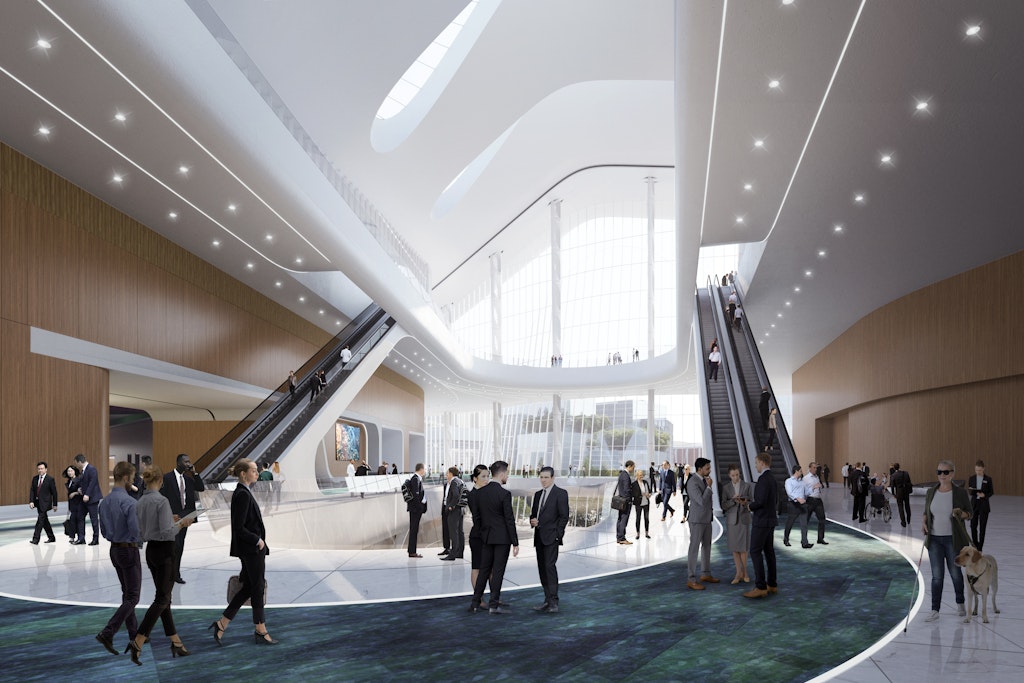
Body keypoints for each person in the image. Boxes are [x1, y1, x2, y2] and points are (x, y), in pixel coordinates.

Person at [210, 459, 278, 645]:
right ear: (243, 474)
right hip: (252, 549)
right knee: (257, 588)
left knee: (249, 587)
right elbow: (239, 527)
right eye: (254, 471)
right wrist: (258, 541)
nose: (257, 473)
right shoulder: (242, 494)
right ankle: (260, 629)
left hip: (250, 549)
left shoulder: (243, 492)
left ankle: (222, 623)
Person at [130, 465, 190, 664]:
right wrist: (181, 524)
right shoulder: (161, 501)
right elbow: (167, 533)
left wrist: (169, 521)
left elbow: (145, 529)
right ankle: (139, 638)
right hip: (165, 552)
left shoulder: (141, 501)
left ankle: (175, 640)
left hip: (151, 552)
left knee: (165, 598)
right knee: (162, 599)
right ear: (160, 481)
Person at [95, 461, 141, 657]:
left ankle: (134, 635)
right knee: (133, 597)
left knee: (127, 594)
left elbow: (104, 531)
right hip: (129, 551)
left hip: (114, 550)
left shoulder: (103, 502)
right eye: (132, 477)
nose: (133, 481)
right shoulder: (130, 502)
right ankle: (108, 632)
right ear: (126, 478)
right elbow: (137, 531)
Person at [922, 459, 972, 622]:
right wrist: (924, 522)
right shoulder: (931, 492)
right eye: (939, 472)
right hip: (934, 540)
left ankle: (960, 603)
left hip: (953, 539)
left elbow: (969, 513)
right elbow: (926, 512)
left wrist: (960, 513)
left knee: (955, 574)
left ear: (952, 474)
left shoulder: (959, 493)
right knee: (937, 576)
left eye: (945, 472)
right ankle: (935, 609)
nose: (942, 475)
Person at [469, 461, 519, 614]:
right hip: (502, 539)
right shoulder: (504, 494)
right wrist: (515, 542)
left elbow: (476, 517)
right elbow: (509, 520)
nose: (507, 476)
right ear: (502, 474)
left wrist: (483, 533)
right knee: (497, 571)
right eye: (507, 473)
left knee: (484, 570)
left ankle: (475, 604)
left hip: (486, 537)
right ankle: (493, 605)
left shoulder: (481, 492)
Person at [161, 453, 205, 585]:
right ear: (178, 462)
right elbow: (162, 498)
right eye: (186, 462)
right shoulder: (167, 478)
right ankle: (169, 573)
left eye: (189, 462)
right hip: (172, 518)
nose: (188, 464)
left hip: (185, 517)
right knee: (174, 546)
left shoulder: (189, 479)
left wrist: (195, 474)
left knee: (179, 547)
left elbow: (201, 488)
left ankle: (176, 574)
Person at [530, 466, 569, 613]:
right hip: (539, 537)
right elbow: (534, 514)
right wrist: (532, 520)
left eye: (546, 477)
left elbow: (564, 516)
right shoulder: (538, 494)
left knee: (549, 567)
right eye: (541, 477)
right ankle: (547, 600)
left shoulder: (561, 493)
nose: (543, 480)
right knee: (542, 569)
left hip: (552, 537)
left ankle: (554, 601)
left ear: (552, 478)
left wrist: (558, 535)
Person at [744, 452, 778, 598]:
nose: (755, 465)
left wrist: (750, 506)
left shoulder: (763, 479)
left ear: (763, 463)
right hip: (770, 520)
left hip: (762, 521)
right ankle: (772, 584)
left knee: (755, 551)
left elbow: (761, 501)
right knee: (769, 552)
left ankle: (760, 586)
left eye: (756, 463)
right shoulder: (773, 478)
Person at [685, 458, 718, 589]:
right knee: (694, 549)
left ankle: (705, 573)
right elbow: (701, 501)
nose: (709, 470)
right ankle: (691, 579)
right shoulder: (692, 482)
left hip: (706, 519)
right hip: (696, 520)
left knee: (707, 547)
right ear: (699, 469)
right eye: (707, 468)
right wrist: (709, 487)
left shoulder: (704, 480)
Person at [721, 465, 753, 584]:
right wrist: (733, 500)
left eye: (737, 475)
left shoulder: (747, 485)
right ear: (729, 476)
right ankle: (738, 573)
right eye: (733, 475)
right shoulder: (726, 488)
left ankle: (745, 572)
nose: (736, 477)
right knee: (735, 548)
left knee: (744, 548)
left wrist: (744, 502)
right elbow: (724, 505)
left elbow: (751, 501)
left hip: (744, 518)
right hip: (732, 520)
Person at [467, 464, 492, 607]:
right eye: (483, 476)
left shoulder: (484, 492)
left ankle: (486, 598)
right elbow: (478, 518)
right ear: (475, 478)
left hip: (486, 535)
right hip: (478, 536)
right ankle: (479, 599)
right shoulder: (473, 495)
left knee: (488, 568)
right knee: (477, 567)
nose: (486, 479)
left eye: (487, 476)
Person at [74, 453, 103, 545]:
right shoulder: (83, 471)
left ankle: (96, 539)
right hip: (84, 499)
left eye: (76, 463)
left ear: (79, 462)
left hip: (92, 499)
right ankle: (81, 538)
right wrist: (80, 489)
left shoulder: (91, 469)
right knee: (80, 517)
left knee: (93, 519)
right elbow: (83, 483)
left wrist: (87, 494)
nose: (76, 465)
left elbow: (92, 483)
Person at [29, 461, 58, 544]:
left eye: (42, 469)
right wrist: (31, 501)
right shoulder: (35, 478)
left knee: (40, 521)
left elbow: (54, 493)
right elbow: (32, 490)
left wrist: (55, 504)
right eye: (38, 469)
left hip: (45, 503)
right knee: (45, 520)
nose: (40, 470)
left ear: (46, 469)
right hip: (37, 502)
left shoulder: (50, 479)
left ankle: (35, 539)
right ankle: (51, 537)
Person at [440, 467, 465, 560]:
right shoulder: (460, 481)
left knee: (453, 532)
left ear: (451, 473)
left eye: (447, 473)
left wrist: (451, 506)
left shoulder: (454, 482)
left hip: (454, 511)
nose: (446, 475)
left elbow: (455, 495)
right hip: (460, 510)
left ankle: (453, 554)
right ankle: (459, 553)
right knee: (459, 532)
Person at [783, 465, 812, 548]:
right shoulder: (789, 481)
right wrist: (797, 498)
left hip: (802, 505)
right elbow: (789, 492)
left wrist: (813, 488)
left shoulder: (802, 482)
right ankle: (786, 539)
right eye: (800, 471)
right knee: (790, 523)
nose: (801, 472)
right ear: (796, 471)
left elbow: (806, 492)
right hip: (793, 505)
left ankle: (804, 542)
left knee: (804, 524)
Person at [967, 460, 994, 551]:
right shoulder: (972, 478)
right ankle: (975, 544)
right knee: (973, 525)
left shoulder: (988, 479)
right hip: (974, 505)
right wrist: (972, 491)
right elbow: (970, 491)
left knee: (982, 527)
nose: (978, 472)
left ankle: (980, 547)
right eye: (976, 470)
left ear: (983, 469)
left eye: (979, 470)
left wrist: (984, 495)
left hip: (984, 505)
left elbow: (991, 492)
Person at [803, 463, 828, 546]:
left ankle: (820, 538)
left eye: (816, 468)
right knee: (806, 520)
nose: (815, 469)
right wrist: (813, 487)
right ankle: (804, 541)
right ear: (809, 468)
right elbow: (804, 491)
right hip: (810, 500)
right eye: (814, 468)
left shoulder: (817, 477)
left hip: (818, 500)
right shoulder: (805, 478)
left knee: (822, 519)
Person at [406, 463, 427, 558]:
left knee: (414, 529)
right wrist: (420, 507)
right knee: (414, 530)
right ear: (421, 469)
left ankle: (411, 550)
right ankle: (412, 552)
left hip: (415, 509)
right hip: (415, 510)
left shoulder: (416, 478)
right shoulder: (416, 479)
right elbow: (416, 495)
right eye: (425, 469)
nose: (425, 471)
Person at [64, 465, 86, 544]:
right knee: (72, 520)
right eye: (68, 471)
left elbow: (82, 491)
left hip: (79, 503)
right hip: (73, 504)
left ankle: (81, 538)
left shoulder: (79, 480)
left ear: (75, 471)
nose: (69, 473)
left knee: (80, 520)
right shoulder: (69, 481)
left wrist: (75, 493)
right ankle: (72, 537)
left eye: (71, 471)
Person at [615, 461, 634, 545]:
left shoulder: (621, 474)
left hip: (621, 500)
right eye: (633, 467)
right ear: (629, 466)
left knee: (620, 519)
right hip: (626, 501)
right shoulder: (626, 476)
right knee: (624, 519)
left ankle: (619, 537)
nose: (633, 469)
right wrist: (629, 498)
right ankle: (622, 538)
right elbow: (626, 489)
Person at [631, 469, 653, 539]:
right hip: (638, 504)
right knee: (638, 518)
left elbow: (649, 491)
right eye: (640, 475)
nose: (641, 477)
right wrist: (641, 494)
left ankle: (647, 533)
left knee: (646, 518)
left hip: (646, 503)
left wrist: (649, 494)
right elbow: (633, 494)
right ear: (637, 476)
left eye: (642, 475)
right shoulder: (634, 484)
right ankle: (638, 534)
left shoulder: (645, 482)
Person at [890, 463, 913, 527]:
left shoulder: (893, 475)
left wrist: (893, 494)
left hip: (899, 492)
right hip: (906, 491)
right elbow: (909, 482)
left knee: (900, 507)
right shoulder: (906, 473)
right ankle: (908, 519)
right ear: (899, 466)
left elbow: (892, 486)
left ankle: (903, 522)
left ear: (894, 468)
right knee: (907, 505)